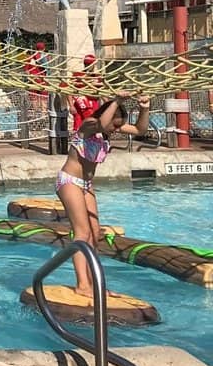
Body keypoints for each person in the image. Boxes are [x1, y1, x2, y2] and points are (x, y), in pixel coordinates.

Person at [56, 93, 150, 297]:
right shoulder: (89, 125)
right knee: (82, 233)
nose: (116, 130)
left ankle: (94, 283)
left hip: (86, 184)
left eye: (118, 126)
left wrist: (144, 108)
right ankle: (82, 285)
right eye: (115, 126)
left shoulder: (109, 128)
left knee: (95, 234)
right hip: (69, 181)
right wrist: (117, 101)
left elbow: (140, 130)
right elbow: (101, 124)